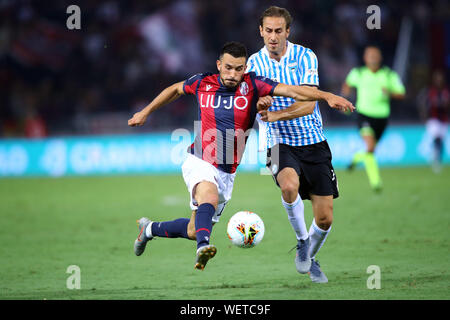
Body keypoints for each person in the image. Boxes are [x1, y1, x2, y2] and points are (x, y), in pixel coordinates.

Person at [128, 41, 354, 271]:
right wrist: (145, 112)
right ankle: (203, 248)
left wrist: (326, 96)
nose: (233, 73)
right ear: (219, 65)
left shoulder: (254, 84)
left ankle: (149, 230)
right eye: (228, 67)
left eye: (238, 68)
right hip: (199, 158)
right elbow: (175, 89)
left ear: (245, 68)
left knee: (193, 229)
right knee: (209, 197)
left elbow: (293, 90)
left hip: (227, 171)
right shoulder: (202, 82)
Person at [247, 6, 343, 283]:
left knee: (324, 219)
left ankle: (310, 256)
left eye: (279, 31)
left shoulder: (305, 56)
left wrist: (276, 112)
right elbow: (251, 103)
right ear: (261, 31)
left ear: (288, 31)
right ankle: (302, 240)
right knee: (289, 186)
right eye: (268, 31)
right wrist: (259, 104)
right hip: (278, 142)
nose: (273, 36)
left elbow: (309, 102)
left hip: (313, 141)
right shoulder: (252, 64)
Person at [342, 45, 405, 192]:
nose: (372, 58)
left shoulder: (389, 75)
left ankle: (357, 157)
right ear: (365, 58)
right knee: (370, 147)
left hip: (382, 118)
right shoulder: (358, 73)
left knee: (370, 150)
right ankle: (376, 183)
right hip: (364, 114)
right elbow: (347, 85)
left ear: (380, 58)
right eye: (369, 55)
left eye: (375, 55)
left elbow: (401, 94)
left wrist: (389, 92)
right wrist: (345, 96)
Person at [417, 69, 449, 173]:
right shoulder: (430, 91)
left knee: (441, 141)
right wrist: (424, 116)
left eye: (440, 79)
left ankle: (437, 159)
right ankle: (435, 159)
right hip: (433, 119)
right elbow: (422, 104)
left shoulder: (446, 92)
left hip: (444, 120)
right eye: (437, 79)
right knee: (437, 138)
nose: (439, 81)